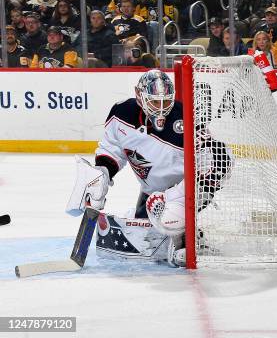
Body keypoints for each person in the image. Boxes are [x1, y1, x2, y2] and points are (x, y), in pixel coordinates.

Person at [65, 68, 232, 266]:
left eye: (166, 101)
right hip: (150, 191)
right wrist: (102, 174)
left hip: (186, 191)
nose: (161, 109)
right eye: (154, 102)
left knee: (168, 223)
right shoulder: (121, 113)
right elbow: (111, 149)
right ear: (139, 95)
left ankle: (187, 236)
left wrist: (177, 196)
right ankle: (175, 228)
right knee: (144, 237)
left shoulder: (184, 118)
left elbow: (220, 158)